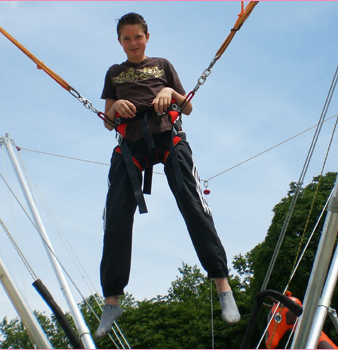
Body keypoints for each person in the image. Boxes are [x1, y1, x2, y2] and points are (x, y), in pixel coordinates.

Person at [95, 12, 240, 339]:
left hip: (166, 136)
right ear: (120, 42)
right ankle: (112, 300)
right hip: (131, 144)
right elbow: (106, 119)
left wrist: (169, 94)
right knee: (116, 217)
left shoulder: (162, 65)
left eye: (138, 37)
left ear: (147, 37)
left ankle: (222, 285)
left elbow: (186, 107)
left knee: (191, 204)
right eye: (126, 39)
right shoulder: (114, 73)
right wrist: (116, 107)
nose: (133, 43)